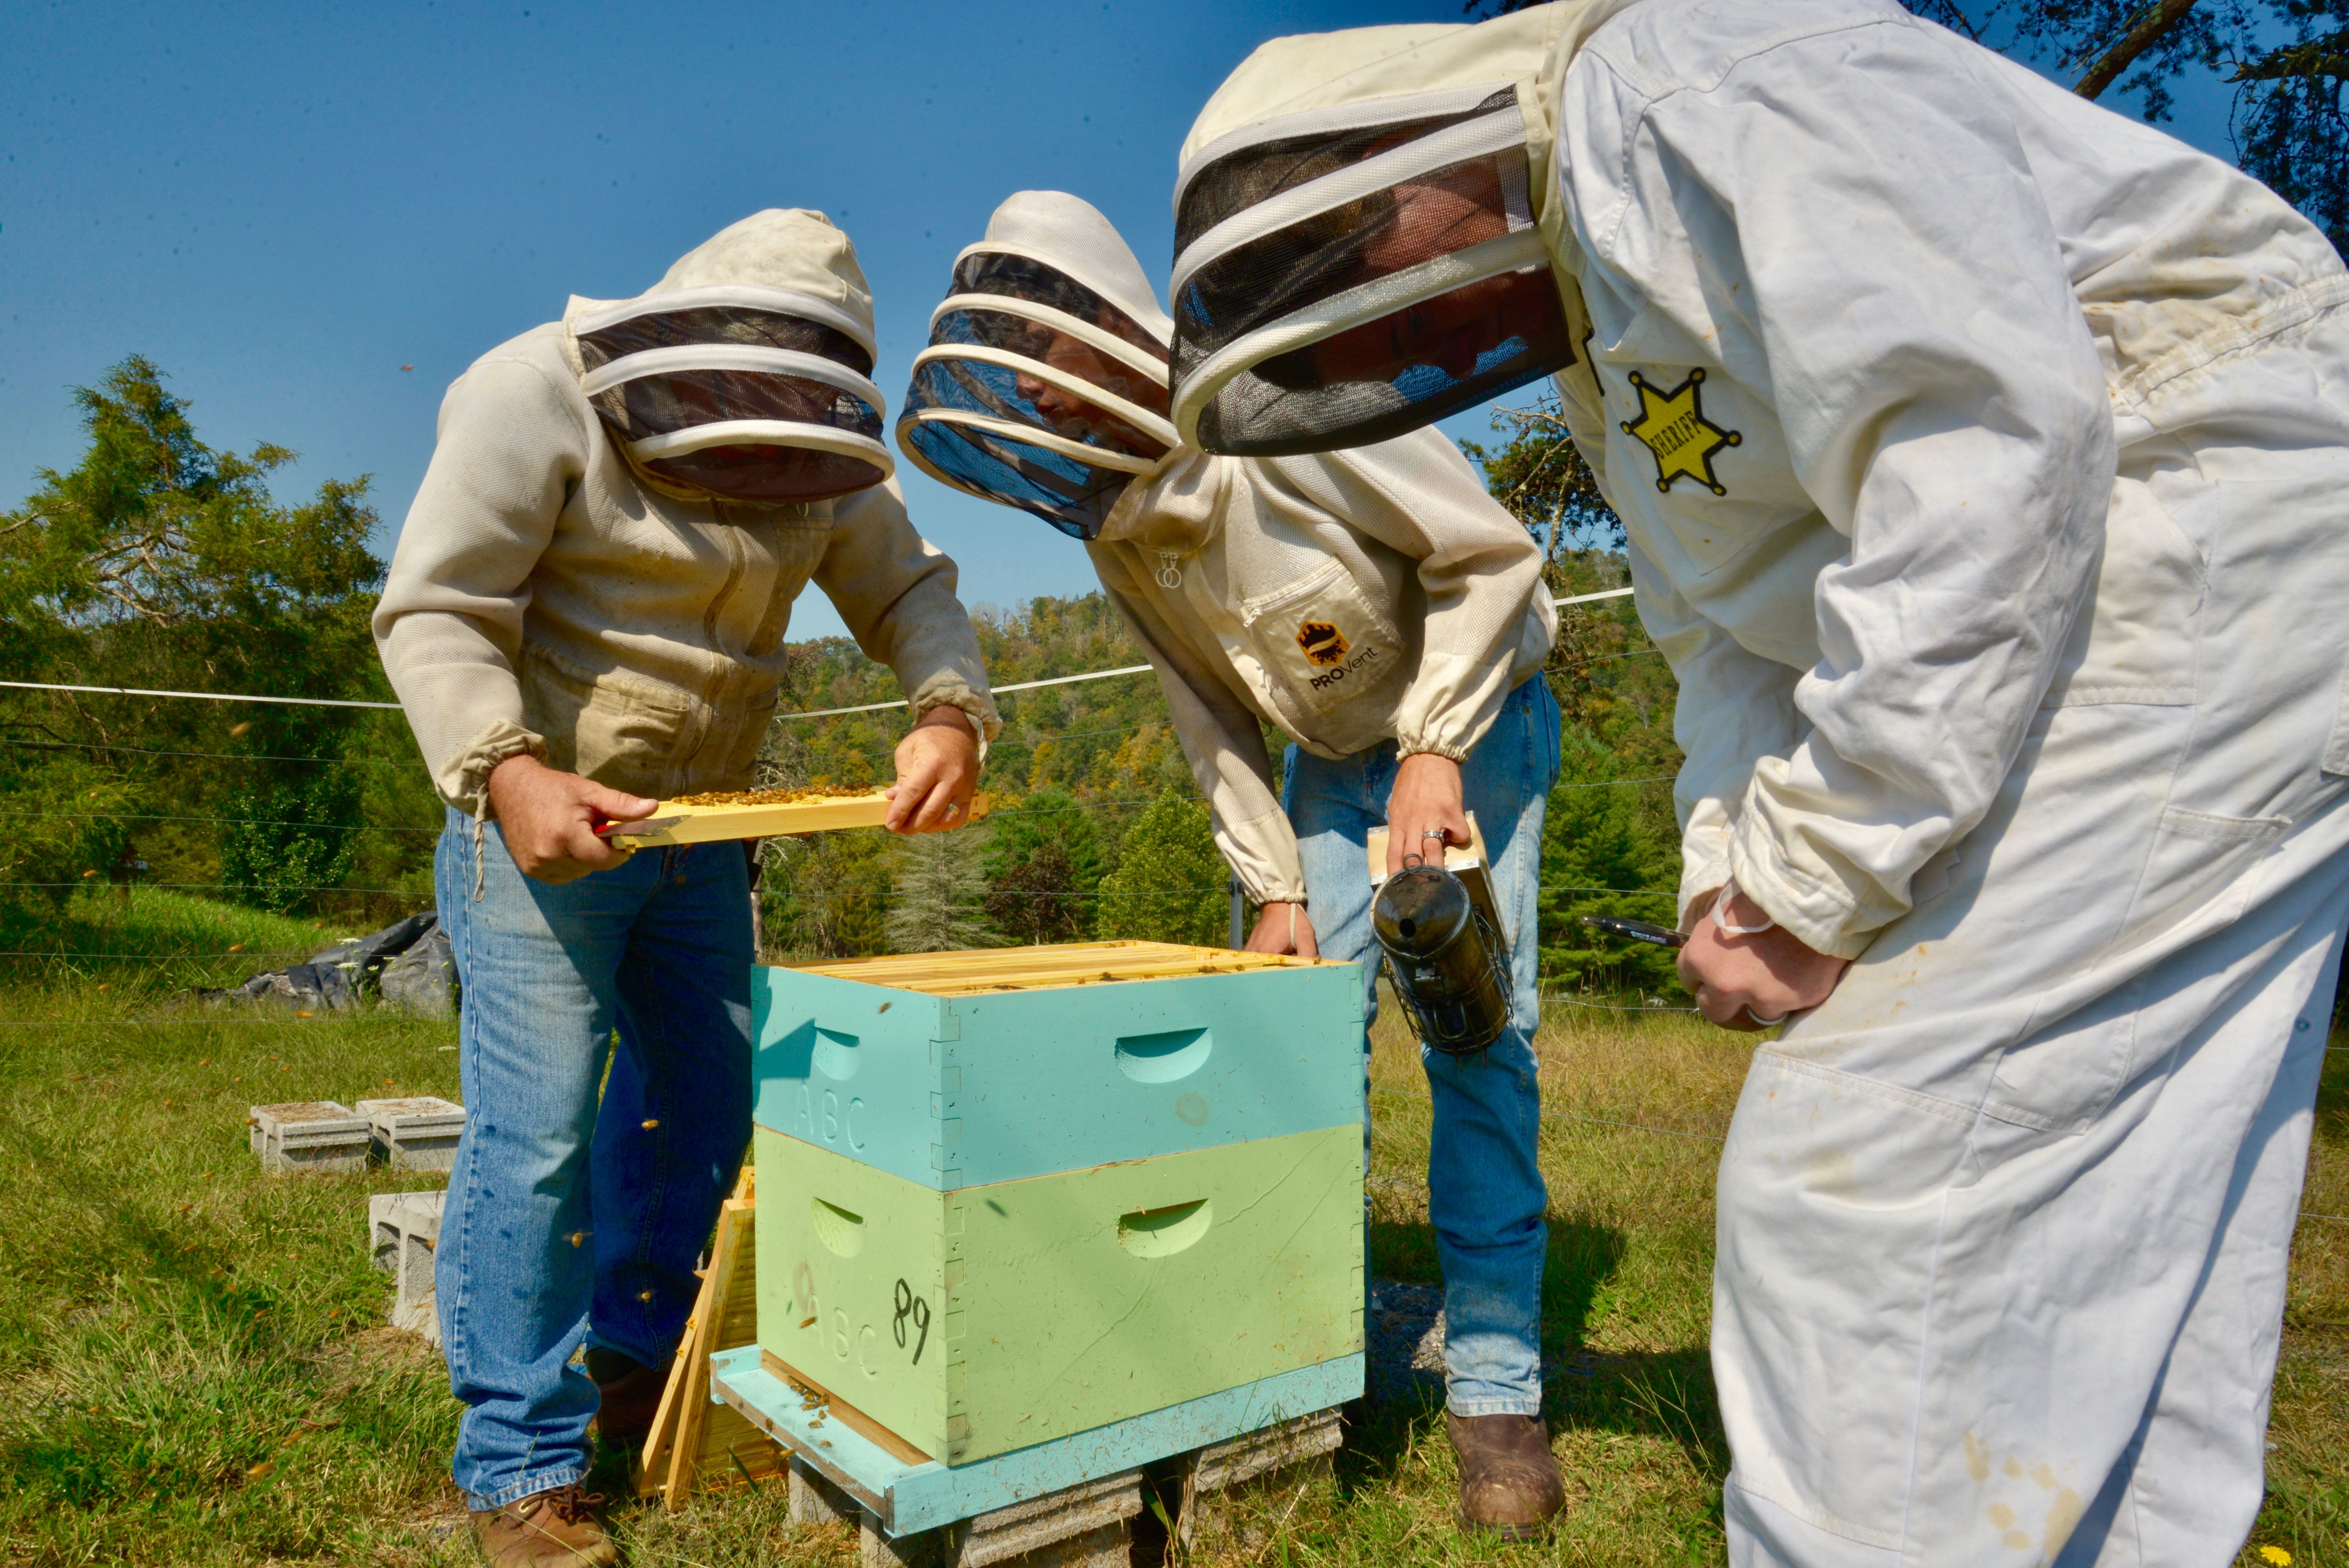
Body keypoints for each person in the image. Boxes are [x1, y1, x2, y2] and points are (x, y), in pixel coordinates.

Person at [1167, 3, 2349, 1563]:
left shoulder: (1685, 73)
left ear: (1389, 172)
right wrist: (1732, 873)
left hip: (2171, 517)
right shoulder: (1609, 311)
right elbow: (1726, 621)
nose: (1408, 363)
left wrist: (1821, 867)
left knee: (1863, 1209)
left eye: (1364, 316)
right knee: (2104, 1244)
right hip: (2157, 563)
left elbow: (1983, 429)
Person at [898, 189, 1570, 1536]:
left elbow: (1489, 562)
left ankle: (1497, 1389)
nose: (1070, 430)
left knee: (1474, 1033)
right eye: (1046, 417)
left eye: (1077, 395)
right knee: (1294, 1042)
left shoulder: (1285, 404)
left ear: (1113, 345)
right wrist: (1272, 884)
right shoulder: (1121, 532)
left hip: (1476, 708)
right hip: (1328, 758)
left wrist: (1436, 746)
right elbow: (1208, 716)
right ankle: (1301, 1352)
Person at [374, 208, 999, 1568]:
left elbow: (913, 593)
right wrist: (508, 771)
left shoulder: (823, 454)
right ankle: (518, 1466)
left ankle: (634, 1361)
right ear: (685, 348)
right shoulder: (529, 389)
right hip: (539, 821)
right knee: (535, 1137)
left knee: (705, 1095)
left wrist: (949, 711)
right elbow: (437, 609)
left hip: (704, 828)